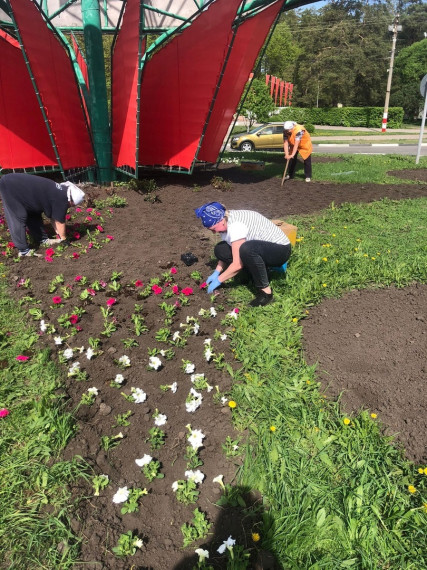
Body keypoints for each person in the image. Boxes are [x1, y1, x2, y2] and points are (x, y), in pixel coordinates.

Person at [195, 202, 291, 307]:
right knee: (221, 249)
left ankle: (266, 293)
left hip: (279, 250)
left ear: (221, 221)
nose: (214, 232)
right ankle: (257, 271)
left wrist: (219, 280)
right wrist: (217, 272)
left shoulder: (236, 226)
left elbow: (237, 264)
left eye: (213, 229)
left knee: (247, 249)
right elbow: (231, 247)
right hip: (262, 247)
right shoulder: (226, 219)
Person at [0, 173, 85, 257]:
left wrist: (59, 235)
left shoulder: (62, 191)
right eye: (72, 205)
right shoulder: (62, 199)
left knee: (34, 212)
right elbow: (59, 222)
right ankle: (23, 251)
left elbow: (54, 218)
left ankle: (42, 239)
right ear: (71, 201)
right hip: (11, 186)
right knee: (18, 216)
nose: (70, 206)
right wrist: (64, 239)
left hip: (24, 190)